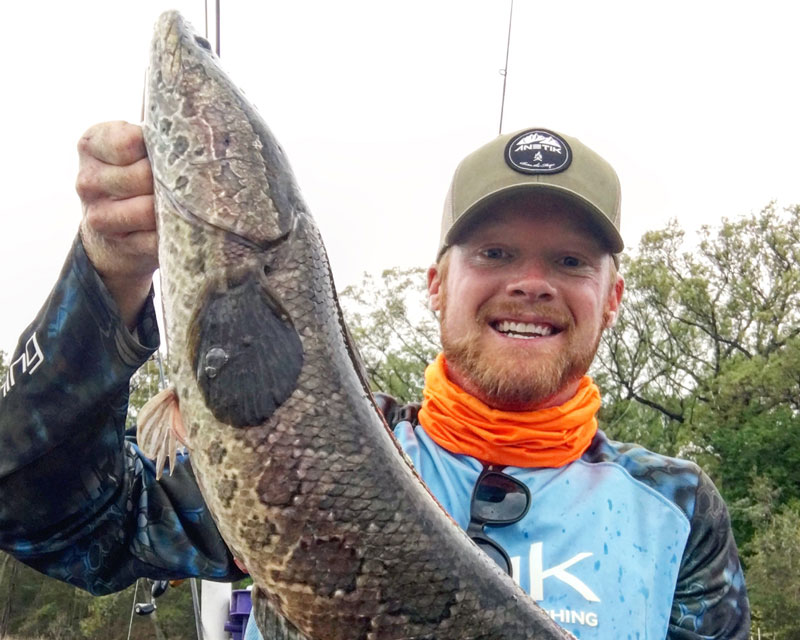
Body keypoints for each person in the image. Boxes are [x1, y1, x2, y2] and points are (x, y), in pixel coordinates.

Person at [0, 122, 750, 638]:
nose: (531, 283)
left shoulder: (678, 513)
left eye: (571, 262)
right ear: (436, 284)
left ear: (611, 297)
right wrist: (105, 282)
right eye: (492, 253)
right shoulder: (297, 448)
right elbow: (48, 518)